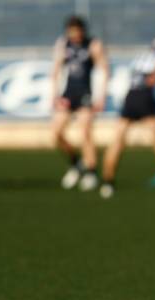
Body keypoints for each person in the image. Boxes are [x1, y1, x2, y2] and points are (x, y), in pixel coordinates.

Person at [99, 37, 155, 198]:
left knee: (118, 140)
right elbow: (154, 77)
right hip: (145, 97)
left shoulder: (140, 57)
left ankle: (107, 182)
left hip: (131, 97)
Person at [50, 15, 109, 191]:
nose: (74, 35)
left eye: (77, 31)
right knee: (57, 133)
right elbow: (56, 70)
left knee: (85, 133)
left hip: (86, 93)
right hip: (68, 94)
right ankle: (76, 163)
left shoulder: (93, 45)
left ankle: (91, 171)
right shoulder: (63, 44)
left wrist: (101, 96)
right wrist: (54, 95)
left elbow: (104, 70)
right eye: (71, 31)